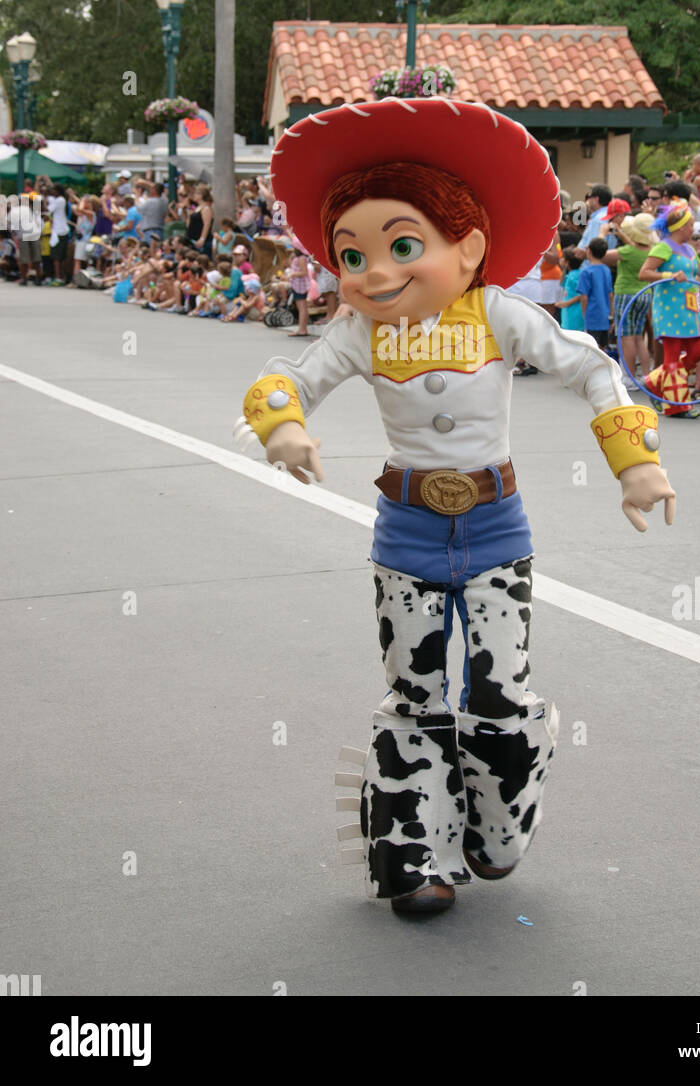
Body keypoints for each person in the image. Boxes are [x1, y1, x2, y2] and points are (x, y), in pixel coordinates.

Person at [236, 97, 676, 917]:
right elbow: (283, 379)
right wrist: (285, 426)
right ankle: (411, 856)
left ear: (466, 245)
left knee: (499, 690)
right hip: (403, 530)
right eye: (351, 252)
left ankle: (496, 827)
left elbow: (588, 366)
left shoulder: (500, 315)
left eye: (403, 246)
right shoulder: (360, 331)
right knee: (414, 697)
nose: (373, 272)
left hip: (494, 531)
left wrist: (634, 460)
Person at [637, 200, 700, 418]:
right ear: (681, 227)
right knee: (672, 357)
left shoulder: (690, 249)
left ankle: (655, 381)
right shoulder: (663, 247)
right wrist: (668, 275)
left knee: (696, 353)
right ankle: (677, 406)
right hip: (669, 308)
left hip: (691, 309)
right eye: (690, 225)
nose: (693, 228)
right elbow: (644, 273)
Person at [603, 211, 653, 390]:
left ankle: (629, 377)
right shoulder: (651, 251)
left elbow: (601, 255)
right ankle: (648, 375)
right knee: (639, 337)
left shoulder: (628, 251)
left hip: (626, 294)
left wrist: (602, 235)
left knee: (626, 337)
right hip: (644, 293)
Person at [576, 237, 613, 348]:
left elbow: (584, 297)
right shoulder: (606, 270)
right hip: (605, 316)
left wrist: (584, 314)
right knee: (602, 348)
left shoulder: (586, 272)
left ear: (589, 251)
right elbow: (610, 295)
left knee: (592, 348)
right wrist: (611, 315)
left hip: (592, 316)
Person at [556, 248, 585, 331]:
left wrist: (566, 303)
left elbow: (581, 295)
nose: (560, 260)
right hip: (568, 312)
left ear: (567, 262)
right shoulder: (571, 275)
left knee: (573, 333)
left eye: (563, 258)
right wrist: (563, 268)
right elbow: (562, 282)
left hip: (574, 312)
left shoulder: (575, 276)